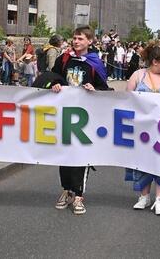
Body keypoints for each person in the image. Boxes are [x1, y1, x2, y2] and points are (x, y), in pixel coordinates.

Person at [50, 26, 109, 215]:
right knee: (65, 152)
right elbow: (52, 77)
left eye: (80, 39)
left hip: (85, 117)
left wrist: (95, 89)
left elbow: (104, 88)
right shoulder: (64, 59)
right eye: (74, 38)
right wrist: (55, 84)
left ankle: (78, 195)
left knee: (81, 154)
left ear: (89, 41)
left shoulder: (94, 63)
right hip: (65, 114)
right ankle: (66, 190)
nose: (76, 42)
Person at [126, 42, 160, 216]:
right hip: (141, 130)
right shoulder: (138, 75)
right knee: (142, 164)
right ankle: (144, 196)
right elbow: (126, 99)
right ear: (155, 62)